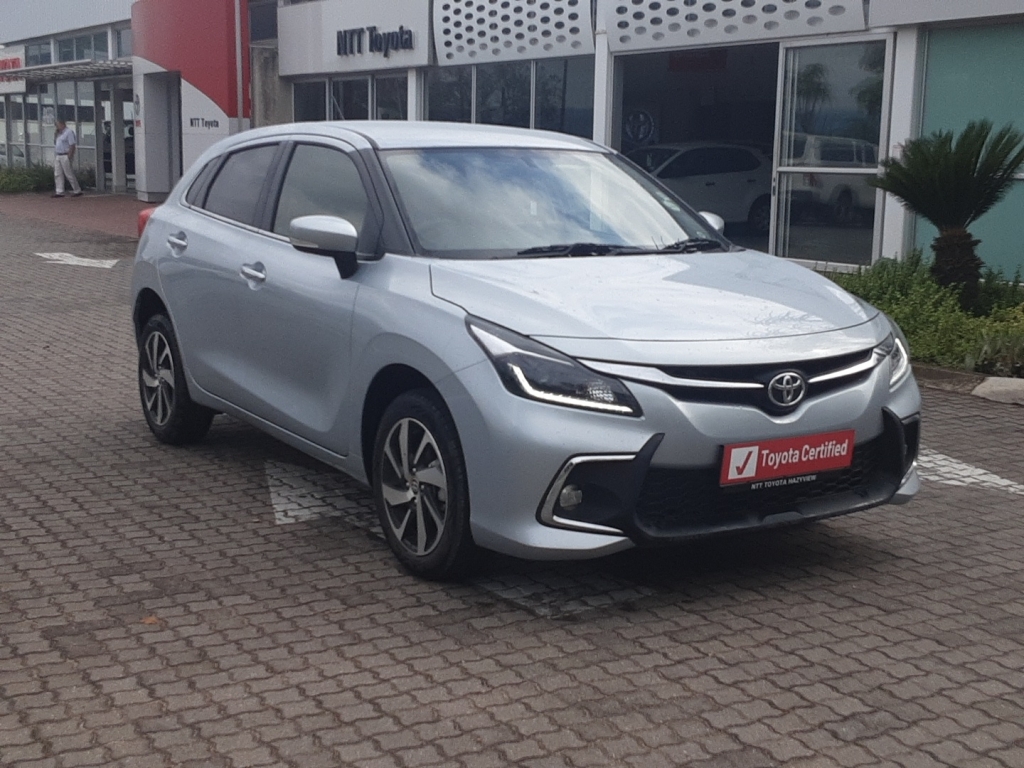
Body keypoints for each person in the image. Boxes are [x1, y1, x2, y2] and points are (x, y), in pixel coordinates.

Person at [53, 119, 83, 198]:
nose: (57, 127)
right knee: (58, 173)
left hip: (65, 155)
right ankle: (59, 191)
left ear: (62, 124)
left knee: (68, 173)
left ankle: (77, 190)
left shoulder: (69, 132)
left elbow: (72, 145)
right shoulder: (59, 134)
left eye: (58, 125)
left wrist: (69, 156)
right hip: (58, 155)